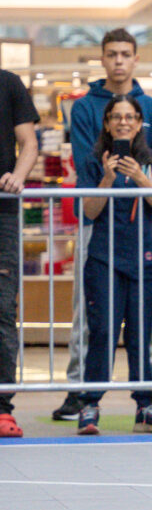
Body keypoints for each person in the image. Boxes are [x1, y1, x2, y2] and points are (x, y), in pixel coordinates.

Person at [53, 28, 152, 423]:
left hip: (144, 231)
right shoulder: (85, 108)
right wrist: (108, 178)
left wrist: (144, 178)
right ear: (103, 58)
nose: (119, 60)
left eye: (126, 53)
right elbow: (87, 174)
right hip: (99, 231)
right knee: (93, 321)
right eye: (112, 54)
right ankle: (83, 394)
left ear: (135, 58)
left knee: (147, 324)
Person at [76, 96, 152, 435]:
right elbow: (89, 211)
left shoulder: (150, 159)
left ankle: (145, 406)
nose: (123, 122)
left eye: (130, 116)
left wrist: (141, 179)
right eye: (116, 117)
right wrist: (106, 178)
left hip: (143, 257)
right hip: (104, 257)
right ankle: (89, 405)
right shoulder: (93, 160)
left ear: (139, 122)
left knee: (141, 335)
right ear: (107, 123)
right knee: (102, 332)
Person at [0, 69, 40, 438]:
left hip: (2, 215)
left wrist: (18, 175)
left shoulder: (9, 84)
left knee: (1, 310)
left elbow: (29, 142)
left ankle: (1, 408)